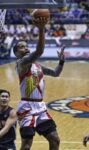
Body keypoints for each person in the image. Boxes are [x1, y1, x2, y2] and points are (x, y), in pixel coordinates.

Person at [13, 16, 65, 150]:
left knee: (55, 139)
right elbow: (39, 51)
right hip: (27, 107)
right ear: (16, 53)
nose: (25, 48)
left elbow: (55, 73)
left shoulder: (38, 66)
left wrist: (61, 62)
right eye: (21, 47)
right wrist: (41, 29)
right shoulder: (21, 64)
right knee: (26, 146)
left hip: (40, 107)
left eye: (26, 46)